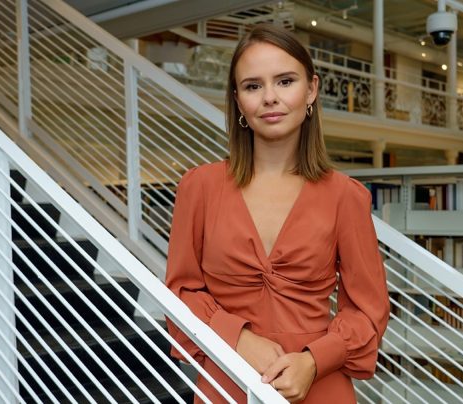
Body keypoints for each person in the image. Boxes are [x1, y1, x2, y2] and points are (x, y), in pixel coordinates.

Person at [165, 24, 390, 403]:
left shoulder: (345, 197)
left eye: (285, 81)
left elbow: (368, 310)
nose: (270, 98)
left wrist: (314, 361)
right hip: (227, 380)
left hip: (320, 387)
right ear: (238, 101)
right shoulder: (199, 188)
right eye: (253, 86)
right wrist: (238, 337)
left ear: (312, 90)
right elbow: (181, 292)